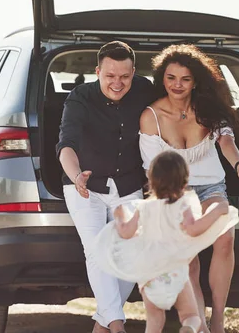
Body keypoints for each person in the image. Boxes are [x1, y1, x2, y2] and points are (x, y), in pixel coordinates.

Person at [139, 44, 239, 333]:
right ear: (162, 79)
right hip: (176, 193)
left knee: (225, 238)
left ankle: (218, 318)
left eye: (185, 79)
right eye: (171, 77)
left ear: (195, 81)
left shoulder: (208, 110)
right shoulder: (151, 117)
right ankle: (198, 323)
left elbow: (226, 141)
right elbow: (152, 169)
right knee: (188, 259)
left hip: (211, 187)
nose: (177, 85)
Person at [57, 40, 155, 333]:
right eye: (110, 76)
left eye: (124, 76)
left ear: (134, 72)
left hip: (127, 184)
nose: (117, 83)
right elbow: (66, 144)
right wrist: (76, 176)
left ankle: (102, 324)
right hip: (84, 187)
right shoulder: (80, 98)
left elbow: (173, 112)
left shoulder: (145, 90)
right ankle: (116, 326)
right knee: (97, 251)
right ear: (97, 71)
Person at [92, 151, 239, 333]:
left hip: (150, 278)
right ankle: (189, 328)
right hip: (175, 273)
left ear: (150, 181)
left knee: (155, 322)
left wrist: (120, 216)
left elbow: (126, 232)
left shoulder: (143, 208)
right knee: (191, 315)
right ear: (185, 183)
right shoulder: (183, 206)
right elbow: (194, 229)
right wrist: (217, 211)